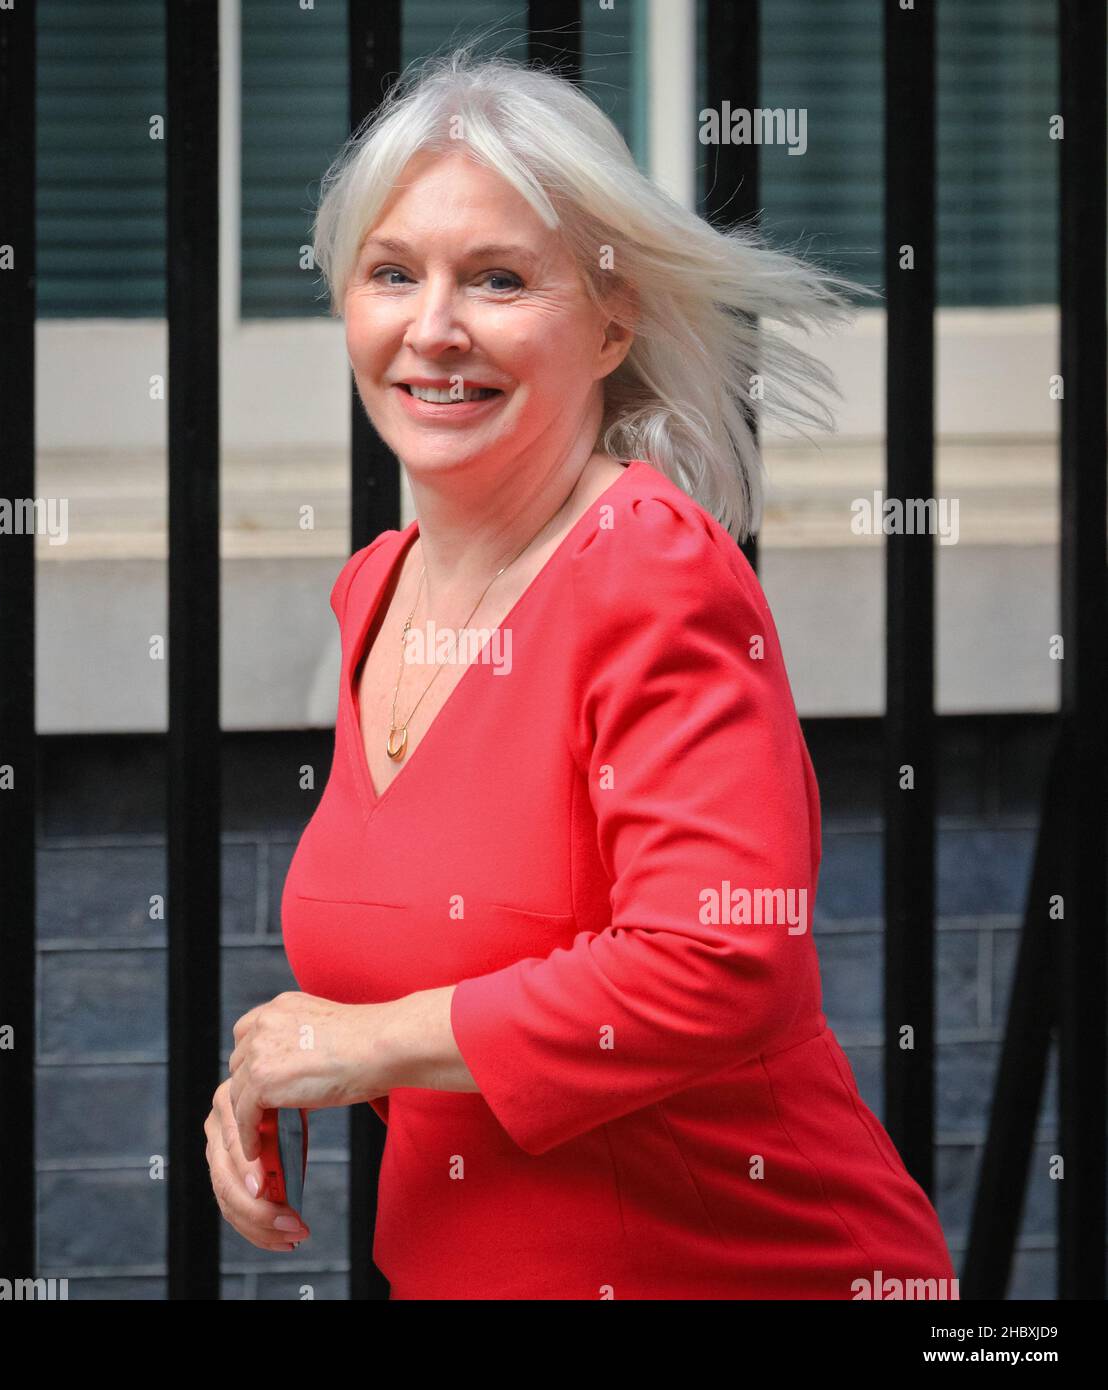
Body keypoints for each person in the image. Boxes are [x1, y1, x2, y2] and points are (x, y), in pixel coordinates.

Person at [203, 45, 955, 1300]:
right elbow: (467, 944)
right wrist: (273, 1065)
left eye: (497, 279)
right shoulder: (377, 588)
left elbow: (717, 959)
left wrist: (357, 1042)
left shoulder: (645, 568)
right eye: (393, 273)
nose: (432, 328)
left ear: (613, 322)